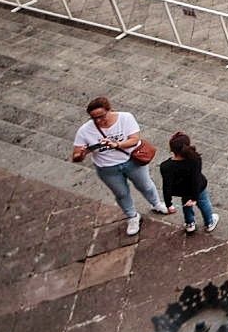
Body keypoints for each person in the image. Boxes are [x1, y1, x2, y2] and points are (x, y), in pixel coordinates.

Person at [70, 96, 173, 235]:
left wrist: (117, 144)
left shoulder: (125, 118)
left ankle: (156, 204)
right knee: (121, 193)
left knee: (145, 185)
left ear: (109, 110)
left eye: (101, 116)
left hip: (132, 161)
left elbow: (134, 139)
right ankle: (132, 216)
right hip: (107, 168)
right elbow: (76, 155)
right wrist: (80, 155)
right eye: (94, 118)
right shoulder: (85, 130)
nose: (99, 120)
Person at [159, 131, 217, 234]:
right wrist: (194, 198)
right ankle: (209, 223)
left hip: (182, 191)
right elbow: (196, 180)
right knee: (204, 204)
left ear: (172, 149)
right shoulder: (195, 159)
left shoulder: (166, 166)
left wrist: (169, 204)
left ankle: (190, 223)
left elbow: (166, 186)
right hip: (198, 189)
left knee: (186, 205)